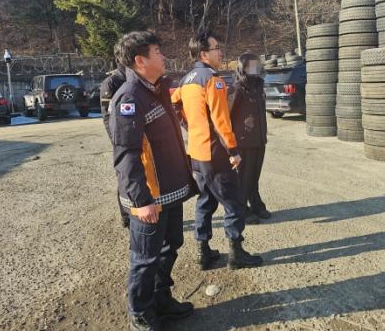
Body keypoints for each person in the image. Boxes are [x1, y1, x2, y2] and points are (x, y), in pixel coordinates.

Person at [109, 31, 196, 331]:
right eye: (157, 51)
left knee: (171, 245)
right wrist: (141, 200)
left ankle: (161, 298)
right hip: (150, 197)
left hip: (170, 192)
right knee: (145, 258)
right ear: (140, 60)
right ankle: (140, 312)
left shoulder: (157, 90)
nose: (163, 56)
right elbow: (126, 154)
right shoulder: (130, 98)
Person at [171, 31, 263, 270]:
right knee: (234, 203)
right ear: (204, 54)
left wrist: (190, 126)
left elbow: (175, 103)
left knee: (206, 200)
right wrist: (233, 150)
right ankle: (236, 254)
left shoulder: (186, 79)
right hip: (215, 153)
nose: (221, 52)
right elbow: (222, 121)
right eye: (216, 48)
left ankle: (203, 252)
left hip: (196, 152)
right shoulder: (213, 80)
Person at [229, 52, 271, 225]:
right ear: (243, 68)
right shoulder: (237, 88)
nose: (256, 67)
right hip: (244, 141)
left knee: (254, 176)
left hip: (259, 139)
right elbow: (227, 116)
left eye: (257, 64)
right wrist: (231, 144)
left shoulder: (259, 86)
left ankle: (256, 204)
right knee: (244, 178)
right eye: (252, 65)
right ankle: (241, 209)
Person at [100, 60, 128, 228]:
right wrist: (115, 140)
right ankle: (125, 216)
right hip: (120, 138)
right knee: (124, 176)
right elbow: (106, 116)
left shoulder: (135, 77)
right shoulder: (111, 82)